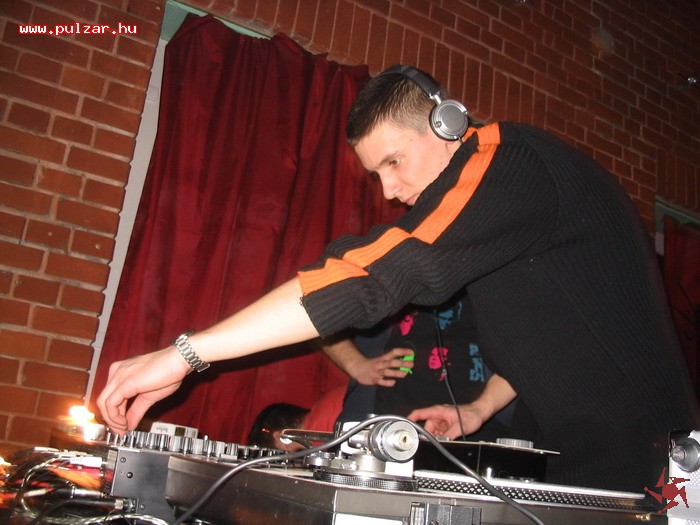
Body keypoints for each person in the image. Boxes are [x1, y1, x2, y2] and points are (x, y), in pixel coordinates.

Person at [97, 64, 698, 493]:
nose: (388, 190)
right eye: (375, 173)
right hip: (585, 463)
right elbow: (557, 329)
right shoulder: (500, 209)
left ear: (446, 123)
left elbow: (374, 272)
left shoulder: (509, 161)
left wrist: (187, 353)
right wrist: (478, 410)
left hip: (654, 470)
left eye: (393, 161)